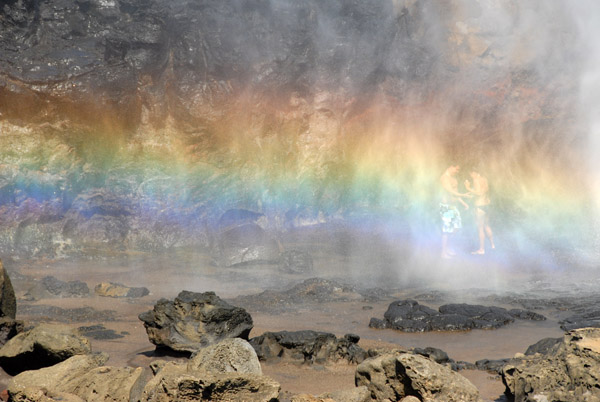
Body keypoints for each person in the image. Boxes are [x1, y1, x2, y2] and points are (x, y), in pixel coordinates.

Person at [440, 164, 471, 259]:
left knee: (456, 227)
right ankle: (443, 253)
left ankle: (448, 248)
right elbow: (450, 191)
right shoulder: (444, 178)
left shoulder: (454, 179)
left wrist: (463, 203)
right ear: (450, 166)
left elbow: (456, 195)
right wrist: (463, 195)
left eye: (458, 170)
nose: (457, 172)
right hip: (447, 206)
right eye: (456, 169)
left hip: (453, 206)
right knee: (447, 230)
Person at [464, 169, 495, 254]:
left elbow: (479, 193)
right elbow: (483, 192)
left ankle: (481, 249)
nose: (471, 176)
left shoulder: (476, 180)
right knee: (487, 225)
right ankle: (492, 245)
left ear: (473, 172)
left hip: (479, 206)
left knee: (480, 228)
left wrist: (468, 188)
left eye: (470, 174)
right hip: (487, 205)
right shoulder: (484, 179)